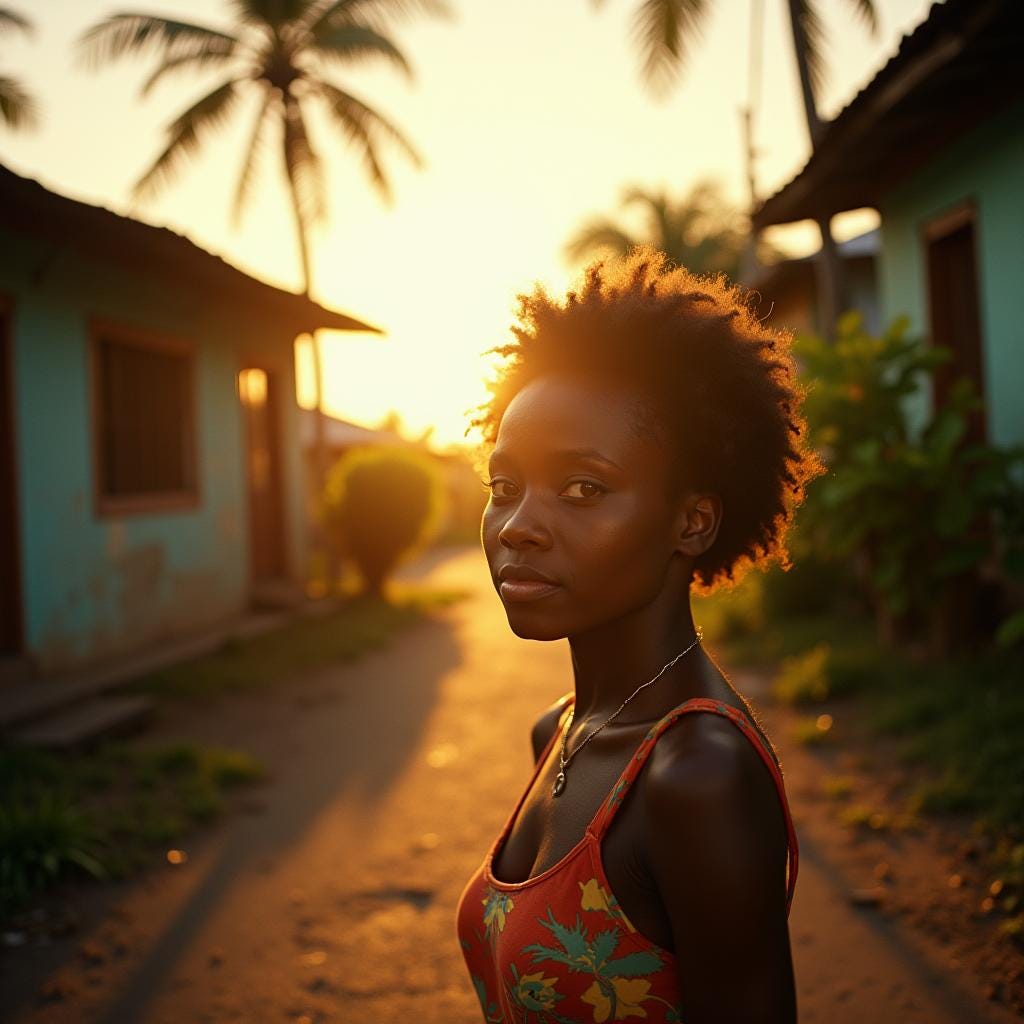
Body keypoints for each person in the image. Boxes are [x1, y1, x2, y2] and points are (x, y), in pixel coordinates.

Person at [454, 247, 824, 1023]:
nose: (517, 527)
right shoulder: (561, 729)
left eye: (583, 487)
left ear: (692, 522)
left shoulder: (698, 777)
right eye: (504, 486)